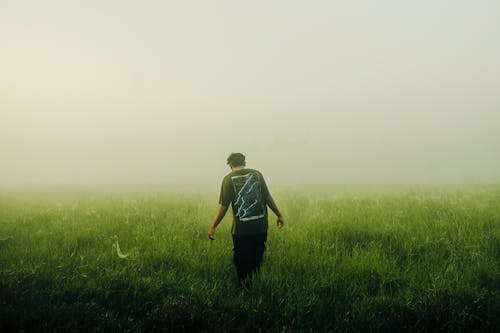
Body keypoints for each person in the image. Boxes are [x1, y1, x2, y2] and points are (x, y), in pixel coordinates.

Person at [208, 153, 284, 286]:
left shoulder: (228, 179)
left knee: (241, 260)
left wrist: (213, 226)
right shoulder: (257, 175)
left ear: (230, 165)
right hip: (260, 226)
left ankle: (244, 287)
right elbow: (267, 197)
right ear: (244, 162)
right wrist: (279, 214)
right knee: (257, 257)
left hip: (241, 230)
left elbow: (224, 206)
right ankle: (255, 283)